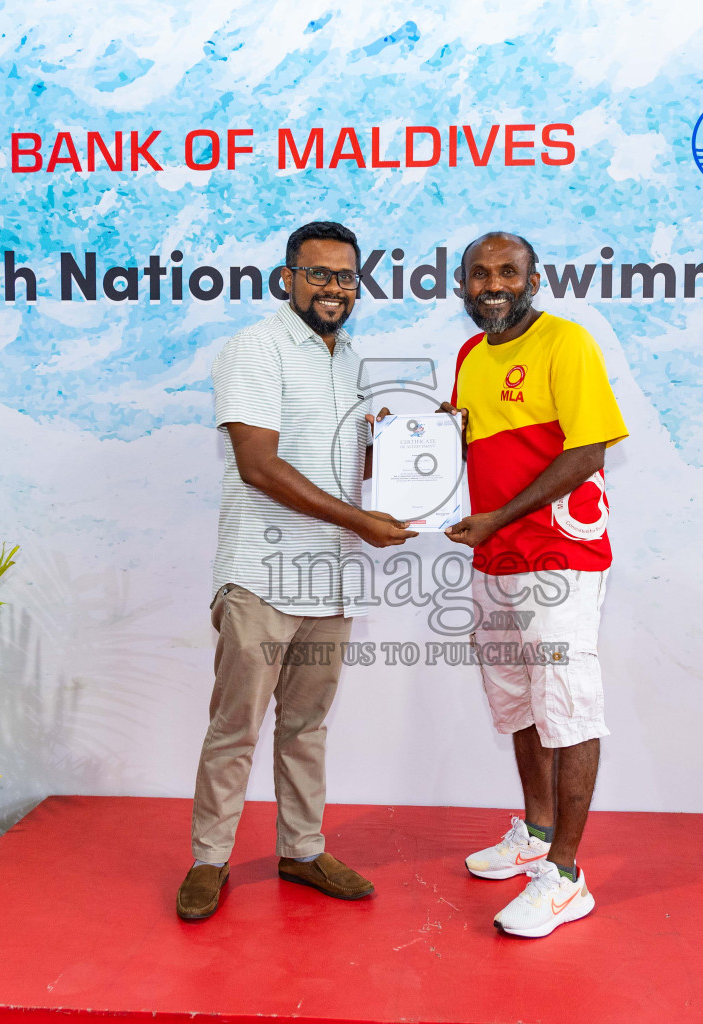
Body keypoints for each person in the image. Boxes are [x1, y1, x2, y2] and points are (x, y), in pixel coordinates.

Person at [177, 220, 417, 921]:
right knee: (236, 726)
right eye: (318, 274)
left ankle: (302, 848)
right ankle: (208, 860)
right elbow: (259, 467)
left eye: (345, 276)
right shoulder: (255, 348)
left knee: (307, 725)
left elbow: (350, 465)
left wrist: (422, 447)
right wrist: (361, 522)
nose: (333, 287)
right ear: (287, 279)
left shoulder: (351, 358)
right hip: (261, 575)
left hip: (332, 578)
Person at [443, 231, 628, 938]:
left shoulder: (566, 343)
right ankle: (536, 832)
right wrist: (405, 443)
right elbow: (464, 439)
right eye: (480, 273)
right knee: (518, 697)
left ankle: (567, 874)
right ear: (462, 285)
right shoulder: (468, 356)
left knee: (567, 703)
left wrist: (499, 516)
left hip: (557, 555)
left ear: (533, 278)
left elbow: (586, 451)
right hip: (496, 556)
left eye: (508, 271)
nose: (494, 283)